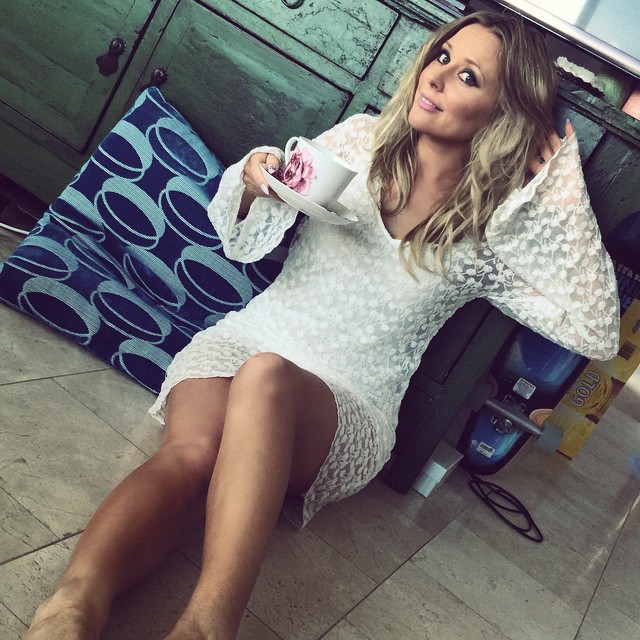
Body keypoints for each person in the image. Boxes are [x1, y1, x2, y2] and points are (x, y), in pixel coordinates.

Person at [24, 10, 620, 640]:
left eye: (468, 76)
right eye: (442, 56)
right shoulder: (361, 140)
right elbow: (240, 239)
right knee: (192, 454)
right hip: (248, 340)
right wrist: (254, 183)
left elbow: (597, 331)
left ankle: (207, 627)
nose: (437, 76)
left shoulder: (490, 231)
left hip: (350, 405)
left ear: (504, 114)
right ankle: (69, 609)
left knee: (266, 378)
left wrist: (563, 192)